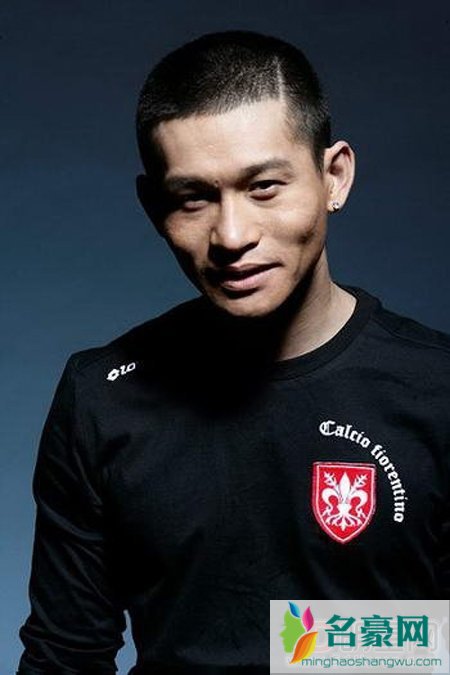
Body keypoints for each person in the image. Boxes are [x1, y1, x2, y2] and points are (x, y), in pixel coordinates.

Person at [17, 30, 449, 675]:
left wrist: (297, 648)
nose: (232, 235)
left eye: (264, 186)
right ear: (153, 207)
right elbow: (64, 656)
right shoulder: (101, 397)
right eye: (193, 198)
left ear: (334, 176)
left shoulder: (437, 390)